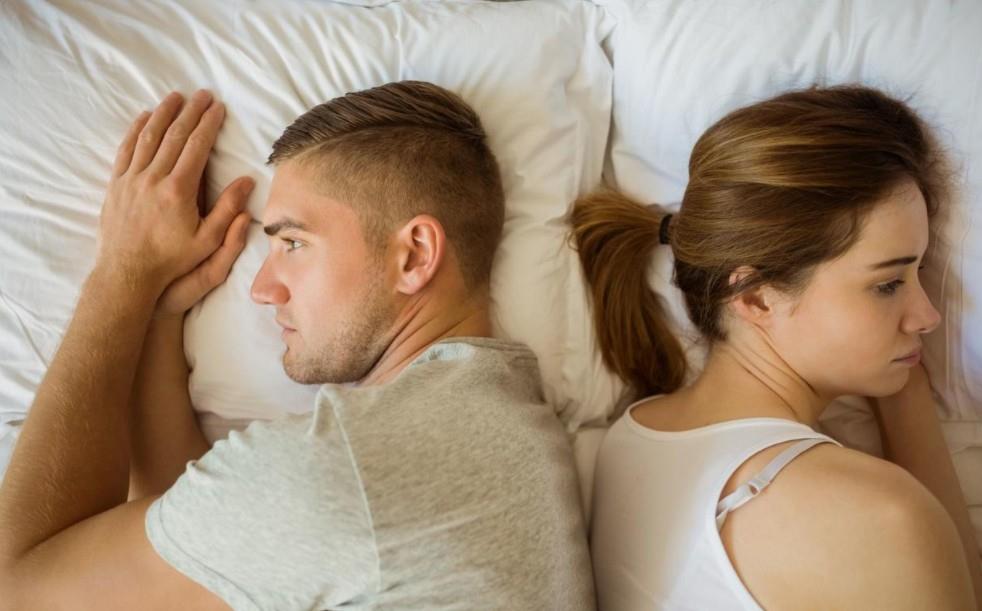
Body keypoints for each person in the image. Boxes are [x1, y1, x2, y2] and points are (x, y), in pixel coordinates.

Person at [0, 81, 595, 610]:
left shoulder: (340, 470)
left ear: (413, 255)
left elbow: (15, 589)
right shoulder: (507, 426)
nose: (262, 288)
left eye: (292, 243)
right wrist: (160, 316)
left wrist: (123, 272)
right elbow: (195, 561)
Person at [571, 85, 982, 610]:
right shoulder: (875, 515)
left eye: (919, 270)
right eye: (887, 284)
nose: (928, 317)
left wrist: (903, 393)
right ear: (756, 298)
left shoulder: (632, 433)